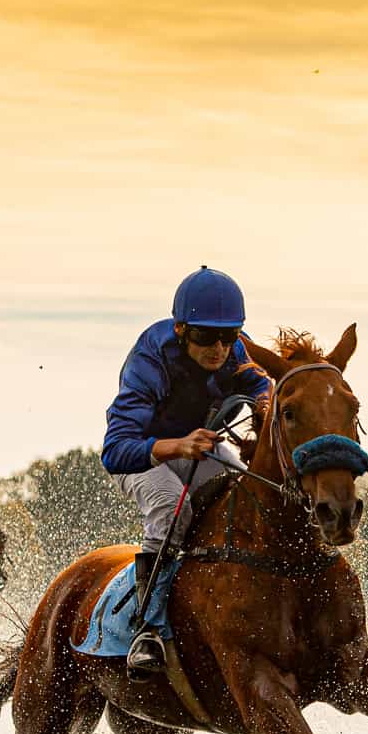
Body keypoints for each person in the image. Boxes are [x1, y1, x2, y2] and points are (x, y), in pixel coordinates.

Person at [102, 266, 271, 680]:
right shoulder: (151, 358)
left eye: (228, 336)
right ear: (180, 329)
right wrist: (177, 445)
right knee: (169, 506)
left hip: (200, 449)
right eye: (204, 337)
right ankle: (148, 629)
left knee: (247, 493)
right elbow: (116, 451)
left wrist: (267, 403)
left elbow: (262, 383)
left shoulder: (234, 351)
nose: (218, 348)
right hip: (145, 456)